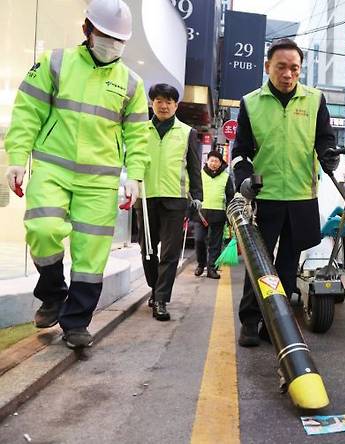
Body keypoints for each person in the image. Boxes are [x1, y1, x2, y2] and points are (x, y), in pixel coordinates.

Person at [3, 0, 149, 348]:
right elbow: (27, 112)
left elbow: (138, 135)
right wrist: (17, 157)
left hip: (100, 180)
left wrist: (136, 176)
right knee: (42, 229)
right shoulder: (55, 63)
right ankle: (53, 292)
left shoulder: (131, 83)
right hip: (53, 168)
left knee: (91, 254)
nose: (112, 44)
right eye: (106, 35)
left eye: (120, 39)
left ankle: (76, 323)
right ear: (87, 30)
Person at [232, 38, 338, 347]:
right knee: (259, 264)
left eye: (295, 68)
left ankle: (273, 324)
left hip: (302, 197)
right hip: (265, 197)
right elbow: (241, 153)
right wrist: (245, 180)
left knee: (288, 268)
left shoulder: (315, 100)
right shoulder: (250, 103)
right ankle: (250, 322)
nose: (288, 74)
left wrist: (330, 154)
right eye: (281, 67)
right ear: (267, 67)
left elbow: (325, 139)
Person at [136, 83, 202, 321]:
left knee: (170, 253)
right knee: (147, 250)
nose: (163, 106)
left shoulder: (187, 132)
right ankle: (155, 289)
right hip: (145, 198)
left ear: (176, 105)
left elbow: (195, 168)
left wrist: (197, 197)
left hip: (175, 199)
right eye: (158, 101)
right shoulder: (140, 130)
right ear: (152, 103)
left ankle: (161, 299)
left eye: (168, 101)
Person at [194, 150, 234, 279]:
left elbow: (230, 196)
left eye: (216, 161)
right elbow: (194, 192)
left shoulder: (226, 177)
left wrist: (230, 216)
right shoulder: (200, 175)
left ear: (221, 162)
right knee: (199, 240)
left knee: (215, 243)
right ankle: (201, 264)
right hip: (201, 213)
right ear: (207, 161)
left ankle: (212, 268)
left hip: (219, 213)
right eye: (211, 160)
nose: (214, 163)